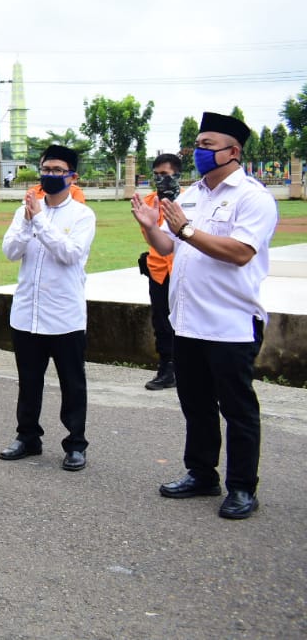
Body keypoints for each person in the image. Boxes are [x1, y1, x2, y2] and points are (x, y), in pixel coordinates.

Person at [131, 112, 278, 520]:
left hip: (230, 324)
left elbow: (241, 252)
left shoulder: (252, 197)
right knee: (196, 404)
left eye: (207, 145)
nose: (198, 151)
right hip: (188, 322)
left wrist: (186, 230)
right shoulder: (191, 195)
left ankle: (242, 487)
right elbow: (169, 247)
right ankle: (201, 473)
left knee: (238, 409)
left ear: (233, 151)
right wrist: (150, 227)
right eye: (196, 145)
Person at [0, 145, 96, 472]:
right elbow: (10, 251)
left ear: (72, 177)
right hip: (27, 313)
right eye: (46, 169)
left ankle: (75, 444)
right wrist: (28, 223)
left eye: (57, 170)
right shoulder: (24, 211)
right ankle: (27, 437)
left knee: (72, 383)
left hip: (64, 316)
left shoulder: (82, 215)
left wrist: (39, 220)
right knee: (28, 381)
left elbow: (69, 254)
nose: (50, 175)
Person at [138, 154, 183, 390]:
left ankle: (186, 368)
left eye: (165, 174)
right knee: (161, 320)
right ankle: (166, 368)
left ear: (177, 175)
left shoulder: (188, 200)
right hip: (157, 269)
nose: (160, 179)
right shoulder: (148, 202)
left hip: (182, 270)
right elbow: (150, 237)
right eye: (156, 175)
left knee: (184, 320)